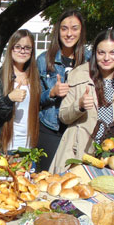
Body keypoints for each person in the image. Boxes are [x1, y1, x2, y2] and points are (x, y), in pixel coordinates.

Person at [50, 29, 114, 173]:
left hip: (113, 156)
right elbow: (63, 116)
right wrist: (79, 106)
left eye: (113, 53)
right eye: (101, 52)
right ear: (94, 53)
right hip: (78, 151)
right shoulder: (78, 75)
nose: (106, 58)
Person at [35, 9, 90, 171]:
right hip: (51, 128)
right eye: (64, 28)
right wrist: (51, 93)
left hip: (79, 128)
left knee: (75, 180)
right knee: (46, 179)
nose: (69, 33)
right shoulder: (44, 60)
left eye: (74, 28)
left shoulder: (90, 60)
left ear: (81, 31)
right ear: (58, 31)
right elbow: (34, 99)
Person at [0, 29, 40, 154]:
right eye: (18, 47)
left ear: (32, 51)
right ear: (11, 49)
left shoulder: (35, 77)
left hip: (29, 147)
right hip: (6, 147)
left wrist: (51, 94)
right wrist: (9, 99)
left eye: (27, 48)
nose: (22, 51)